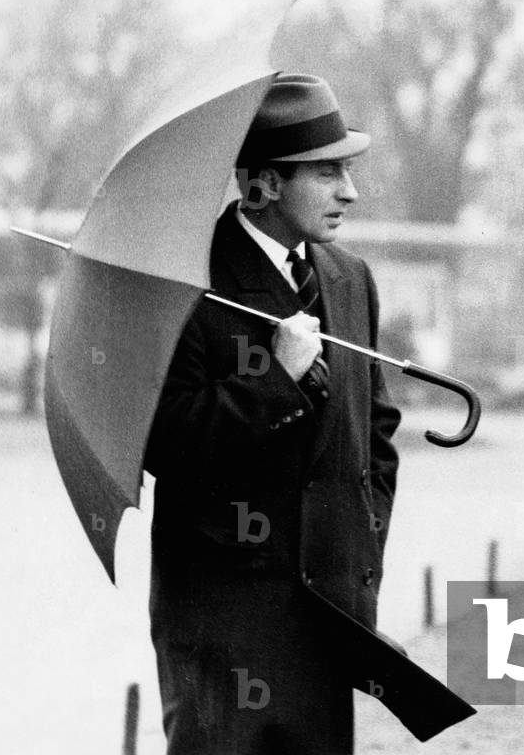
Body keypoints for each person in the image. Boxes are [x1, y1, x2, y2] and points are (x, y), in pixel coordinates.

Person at [143, 73, 405, 754]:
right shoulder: (181, 281)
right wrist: (276, 381)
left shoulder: (349, 279)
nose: (349, 191)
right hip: (222, 625)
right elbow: (163, 442)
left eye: (346, 169)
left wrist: (357, 557)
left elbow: (372, 437)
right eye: (326, 172)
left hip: (327, 617)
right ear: (260, 183)